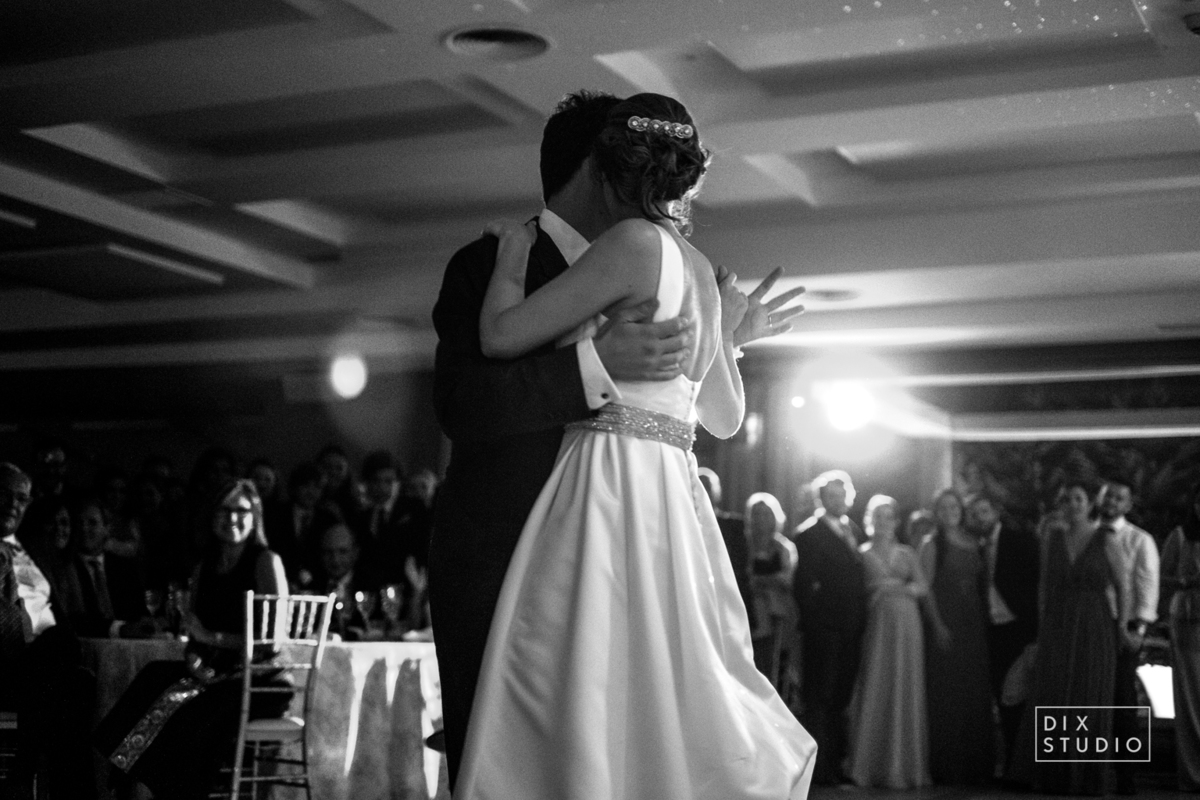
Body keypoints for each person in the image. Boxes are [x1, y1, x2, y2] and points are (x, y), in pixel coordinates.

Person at [428, 89, 804, 790]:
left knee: (636, 733)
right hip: (509, 551)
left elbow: (509, 336)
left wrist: (724, 340)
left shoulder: (640, 252)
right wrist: (598, 365)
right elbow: (463, 404)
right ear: (591, 167)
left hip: (619, 522)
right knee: (527, 756)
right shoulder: (486, 262)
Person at [95, 479, 292, 800]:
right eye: (224, 510)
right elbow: (195, 637)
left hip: (259, 678)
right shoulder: (204, 566)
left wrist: (212, 638)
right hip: (216, 672)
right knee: (154, 676)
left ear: (255, 515)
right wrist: (194, 658)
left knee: (188, 713)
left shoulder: (265, 560)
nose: (232, 518)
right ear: (212, 516)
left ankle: (156, 789)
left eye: (241, 510)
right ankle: (132, 780)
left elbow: (271, 642)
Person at [1009, 480, 1132, 795]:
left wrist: (1122, 627)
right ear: (1060, 505)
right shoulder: (1052, 538)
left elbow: (1123, 586)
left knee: (1088, 695)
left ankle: (1084, 776)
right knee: (1054, 693)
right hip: (1058, 623)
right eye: (1066, 499)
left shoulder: (1106, 538)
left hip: (1095, 624)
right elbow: (1043, 586)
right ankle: (1052, 774)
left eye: (1079, 498)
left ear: (1090, 504)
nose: (1073, 504)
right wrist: (1042, 629)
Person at [0, 463, 96, 800]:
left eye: (21, 499)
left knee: (74, 684)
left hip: (28, 672)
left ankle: (25, 774)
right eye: (5, 495)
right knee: (67, 683)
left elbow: (52, 620)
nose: (13, 505)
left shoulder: (23, 555)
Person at [847, 495, 931, 789]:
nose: (883, 521)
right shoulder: (861, 553)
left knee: (904, 682)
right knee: (877, 680)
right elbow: (855, 590)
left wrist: (898, 588)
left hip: (906, 622)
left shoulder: (906, 553)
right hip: (878, 622)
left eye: (888, 516)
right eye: (877, 516)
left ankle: (905, 766)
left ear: (896, 521)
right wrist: (879, 588)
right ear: (869, 520)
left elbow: (922, 586)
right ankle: (870, 765)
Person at [792, 469, 867, 785]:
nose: (838, 501)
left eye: (842, 495)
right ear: (821, 499)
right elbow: (804, 587)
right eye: (831, 496)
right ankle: (818, 771)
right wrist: (819, 625)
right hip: (825, 631)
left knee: (841, 697)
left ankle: (836, 765)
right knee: (819, 699)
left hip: (851, 628)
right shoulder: (809, 535)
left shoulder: (854, 530)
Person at [919, 488, 995, 785]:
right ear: (936, 513)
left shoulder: (975, 542)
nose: (949, 511)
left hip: (972, 624)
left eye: (954, 506)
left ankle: (976, 767)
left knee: (973, 691)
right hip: (946, 622)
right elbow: (925, 589)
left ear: (961, 510)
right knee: (947, 693)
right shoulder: (931, 544)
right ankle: (948, 766)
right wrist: (937, 626)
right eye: (943, 507)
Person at [967, 492, 1039, 771]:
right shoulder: (974, 545)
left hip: (1018, 627)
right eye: (974, 514)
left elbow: (1035, 584)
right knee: (1000, 695)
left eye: (984, 511)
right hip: (989, 630)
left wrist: (1034, 632)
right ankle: (1009, 762)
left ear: (996, 512)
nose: (980, 518)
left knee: (1018, 696)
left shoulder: (1019, 540)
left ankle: (1022, 765)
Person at [1099, 478, 1160, 795]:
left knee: (1122, 700)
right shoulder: (1088, 535)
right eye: (1107, 495)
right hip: (1090, 626)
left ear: (1128, 504)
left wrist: (1138, 630)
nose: (1111, 502)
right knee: (1091, 697)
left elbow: (1147, 587)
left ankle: (1126, 775)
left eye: (1118, 498)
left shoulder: (1139, 539)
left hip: (1124, 628)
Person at [1160, 481, 1200, 791]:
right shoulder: (1180, 536)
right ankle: (1194, 772)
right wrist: (1185, 581)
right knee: (1191, 694)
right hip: (1188, 616)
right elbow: (1162, 575)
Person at [745, 492, 797, 686]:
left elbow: (787, 579)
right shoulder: (743, 544)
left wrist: (761, 581)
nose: (761, 519)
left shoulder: (784, 548)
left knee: (770, 664)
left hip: (776, 615)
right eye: (757, 514)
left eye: (766, 514)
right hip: (748, 613)